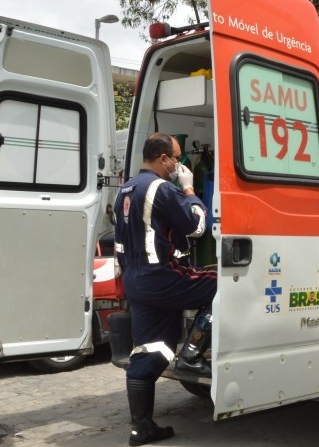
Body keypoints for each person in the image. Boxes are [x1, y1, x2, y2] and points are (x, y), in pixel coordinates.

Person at [114, 132, 217, 446]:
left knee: (151, 351)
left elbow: (120, 243)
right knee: (225, 287)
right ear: (162, 159)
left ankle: (141, 428)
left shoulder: (126, 189)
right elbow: (198, 226)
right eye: (176, 157)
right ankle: (192, 355)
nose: (179, 163)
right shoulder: (161, 188)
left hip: (137, 281)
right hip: (162, 278)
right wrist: (188, 188)